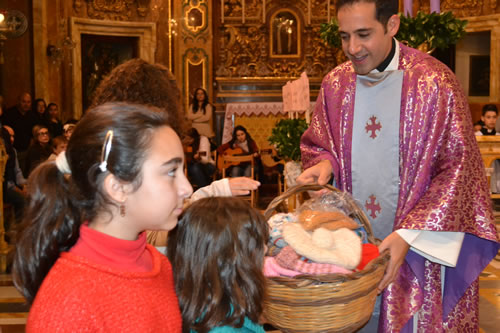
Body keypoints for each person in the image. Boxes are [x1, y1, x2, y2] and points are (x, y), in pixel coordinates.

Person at [297, 0, 499, 331]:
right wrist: (325, 163)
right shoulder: (335, 85)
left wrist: (408, 234)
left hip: (418, 246)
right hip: (352, 249)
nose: (352, 48)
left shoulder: (435, 82)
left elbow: (460, 169)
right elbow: (320, 142)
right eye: (344, 36)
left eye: (363, 34)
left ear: (392, 25)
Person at [13, 102, 192, 332]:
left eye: (183, 170)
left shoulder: (159, 266)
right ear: (117, 187)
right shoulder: (68, 301)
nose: (186, 188)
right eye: (170, 172)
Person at [167, 197, 268, 333]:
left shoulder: (206, 307)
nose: (265, 249)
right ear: (229, 258)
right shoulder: (223, 328)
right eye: (256, 243)